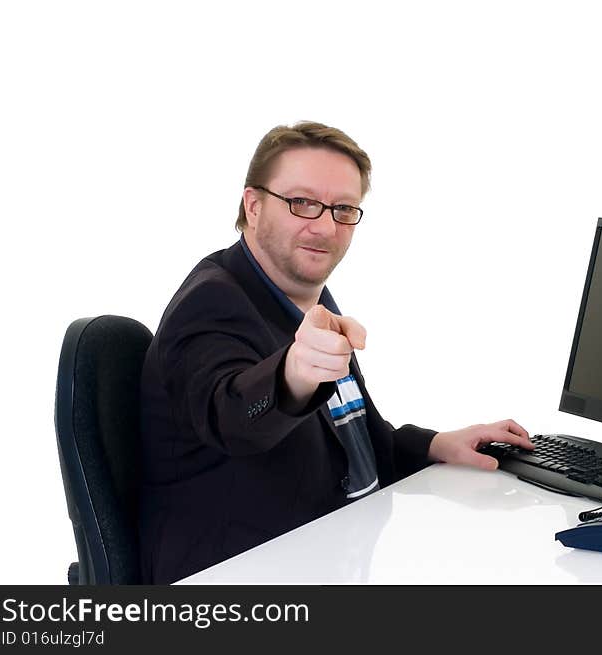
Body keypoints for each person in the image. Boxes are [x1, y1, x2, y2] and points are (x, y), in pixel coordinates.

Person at [139, 121, 534, 584]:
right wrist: (291, 377)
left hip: (343, 556)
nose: (325, 226)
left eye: (343, 209)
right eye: (302, 202)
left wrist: (435, 443)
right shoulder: (211, 303)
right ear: (254, 204)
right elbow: (231, 414)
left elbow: (354, 438)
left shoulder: (309, 298)